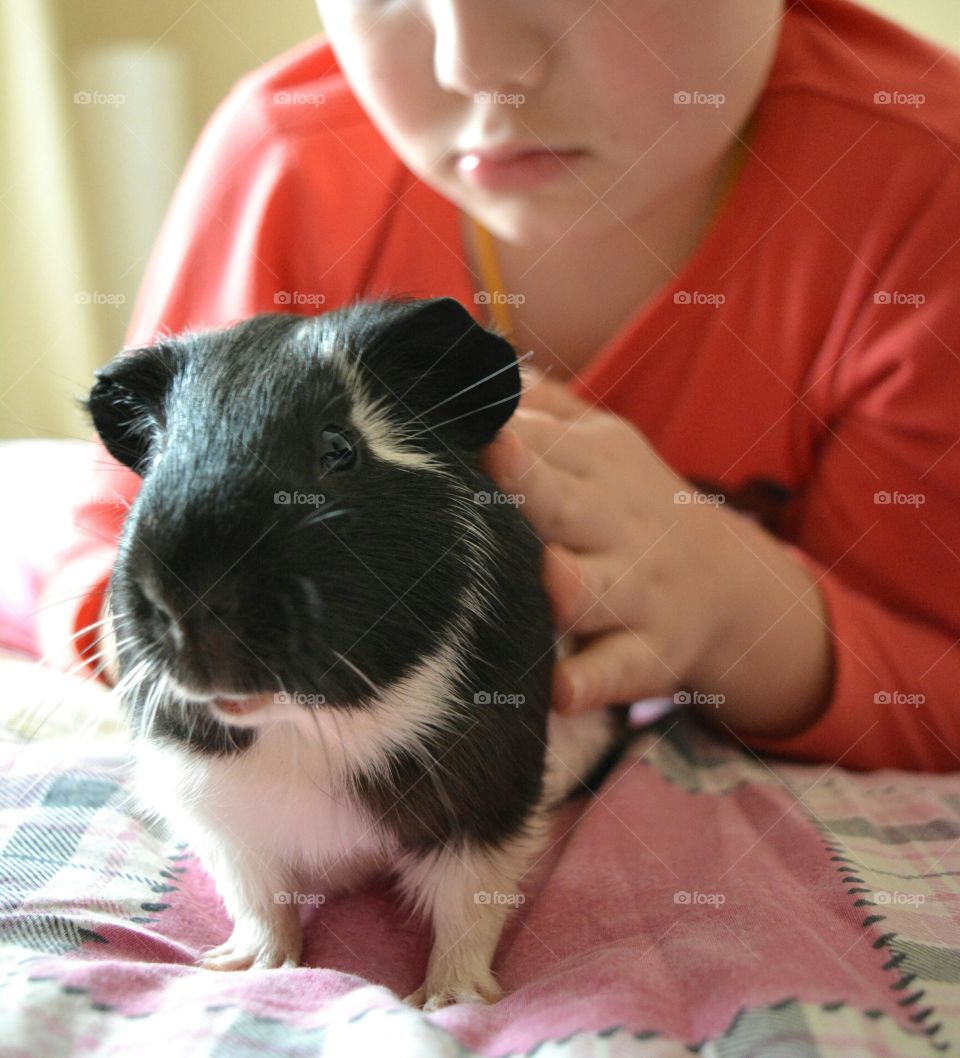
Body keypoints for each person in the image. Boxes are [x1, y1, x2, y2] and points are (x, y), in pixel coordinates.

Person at [35, 0, 960, 770]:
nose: (474, 61)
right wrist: (182, 636)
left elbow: (934, 680)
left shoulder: (926, 195)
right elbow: (98, 564)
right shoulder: (283, 162)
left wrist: (742, 610)